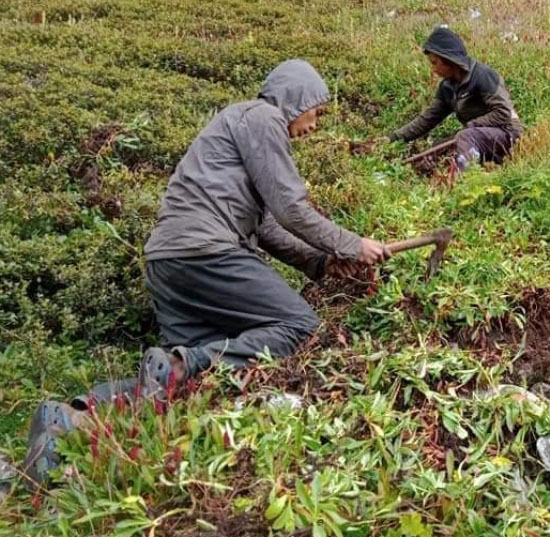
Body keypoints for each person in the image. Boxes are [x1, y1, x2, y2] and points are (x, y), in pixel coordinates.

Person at [22, 59, 388, 486]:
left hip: (168, 262)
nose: (315, 125)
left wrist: (321, 262)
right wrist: (351, 243)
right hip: (206, 252)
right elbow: (292, 209)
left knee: (184, 384)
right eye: (315, 112)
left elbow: (267, 226)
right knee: (300, 325)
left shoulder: (238, 125)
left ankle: (70, 418)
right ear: (297, 99)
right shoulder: (263, 117)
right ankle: (183, 362)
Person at [389, 27, 523, 172]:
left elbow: (503, 113)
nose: (433, 69)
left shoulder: (482, 76)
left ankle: (463, 183)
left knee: (465, 137)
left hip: (507, 133)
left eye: (435, 63)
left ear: (448, 60)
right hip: (476, 136)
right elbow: (426, 120)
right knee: (434, 152)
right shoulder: (447, 87)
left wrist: (472, 125)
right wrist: (392, 139)